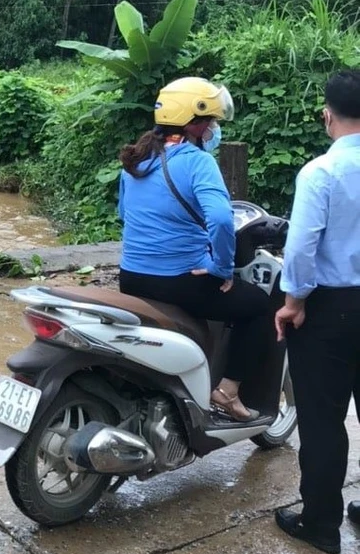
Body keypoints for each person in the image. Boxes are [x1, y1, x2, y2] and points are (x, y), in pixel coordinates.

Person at [117, 77, 274, 421]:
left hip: (130, 277)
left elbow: (124, 214)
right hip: (178, 279)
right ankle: (228, 391)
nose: (214, 129)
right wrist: (221, 266)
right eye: (212, 122)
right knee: (259, 306)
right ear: (195, 124)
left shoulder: (135, 160)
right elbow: (220, 220)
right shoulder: (197, 162)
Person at [273, 70, 360, 554]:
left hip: (332, 310)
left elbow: (302, 246)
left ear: (327, 114)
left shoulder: (321, 172)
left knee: (324, 420)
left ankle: (321, 525)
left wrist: (293, 302)